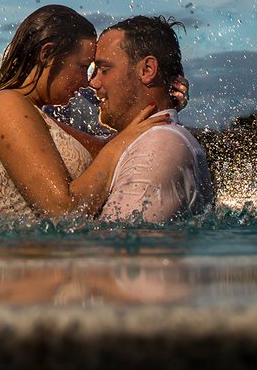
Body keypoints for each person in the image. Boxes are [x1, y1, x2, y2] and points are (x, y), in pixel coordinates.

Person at [0, 4, 170, 219]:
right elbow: (62, 211)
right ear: (47, 53)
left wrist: (163, 97)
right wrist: (119, 144)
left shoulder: (29, 112)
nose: (87, 82)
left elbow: (103, 149)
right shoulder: (7, 105)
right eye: (83, 67)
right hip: (22, 252)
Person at [89, 16, 214, 223]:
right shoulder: (153, 139)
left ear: (147, 70)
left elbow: (118, 246)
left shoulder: (160, 145)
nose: (93, 82)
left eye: (104, 70)